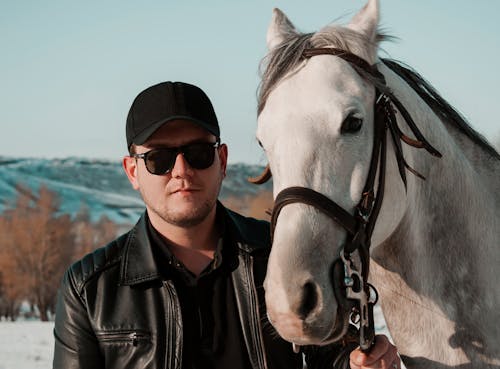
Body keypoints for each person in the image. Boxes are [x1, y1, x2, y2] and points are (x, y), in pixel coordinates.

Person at [52, 81, 401, 369]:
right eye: (158, 159)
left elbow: (335, 357)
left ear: (221, 161)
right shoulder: (89, 290)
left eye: (198, 153)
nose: (181, 171)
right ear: (132, 171)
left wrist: (363, 364)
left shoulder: (284, 257)